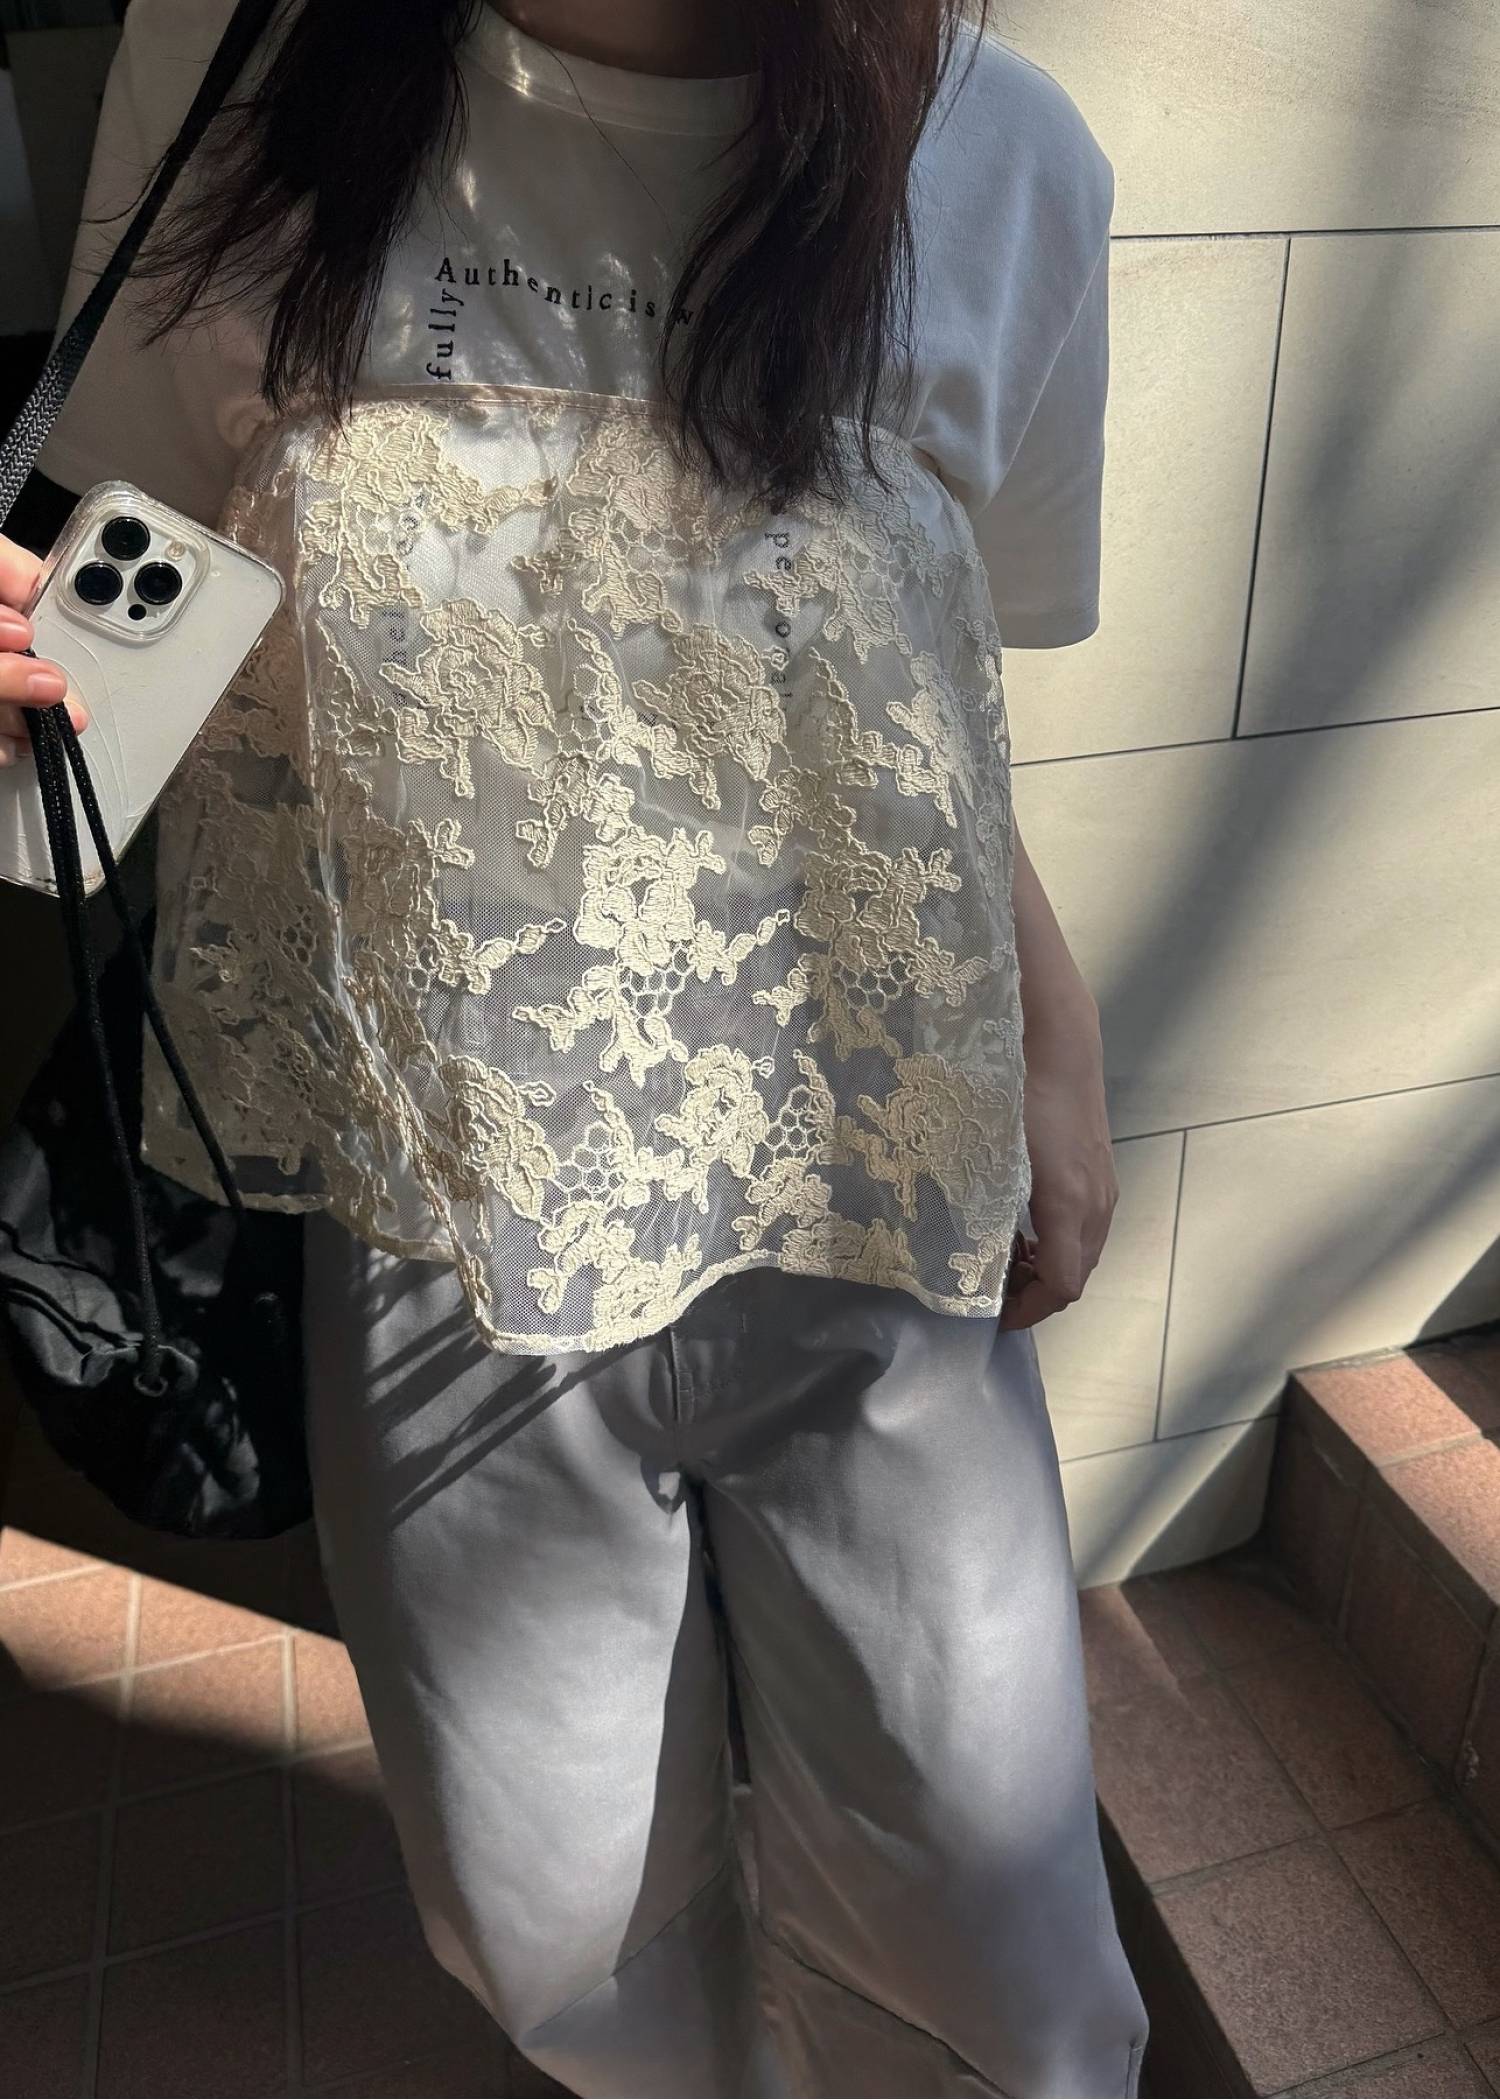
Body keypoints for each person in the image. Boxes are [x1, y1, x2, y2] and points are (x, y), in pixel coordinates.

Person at [0, 0, 1150, 2091]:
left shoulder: (1003, 157)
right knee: (550, 1932)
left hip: (874, 1213)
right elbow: (117, 668)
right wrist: (30, 701)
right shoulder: (243, 77)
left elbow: (924, 700)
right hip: (440, 1223)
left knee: (1001, 1951)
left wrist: (1054, 1047)